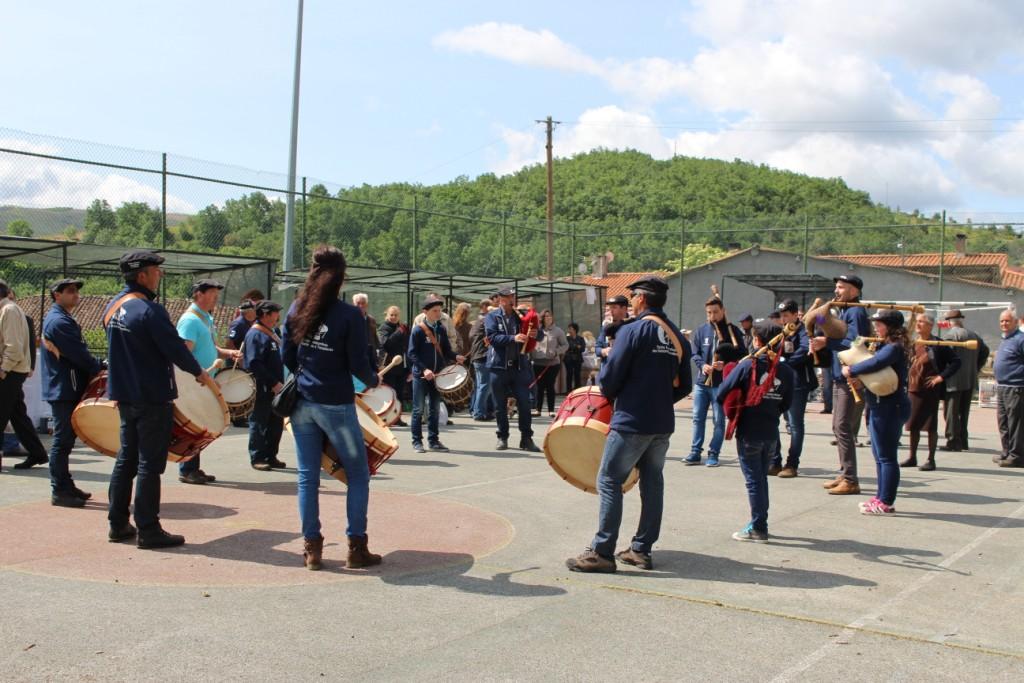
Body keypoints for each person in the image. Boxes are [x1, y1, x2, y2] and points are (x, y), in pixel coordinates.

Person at [566, 275, 691, 572]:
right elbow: (685, 384)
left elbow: (608, 382)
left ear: (641, 299)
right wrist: (660, 401)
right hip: (662, 422)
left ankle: (602, 552)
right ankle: (641, 549)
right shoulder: (676, 335)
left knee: (609, 479)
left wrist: (632, 395)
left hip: (632, 421)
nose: (632, 301)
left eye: (633, 296)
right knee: (652, 482)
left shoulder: (632, 331)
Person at [282, 245, 382, 570]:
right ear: (341, 278)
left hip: (301, 404)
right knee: (358, 474)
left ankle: (312, 550)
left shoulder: (297, 308)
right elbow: (358, 364)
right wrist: (372, 380)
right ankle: (356, 548)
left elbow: (286, 354)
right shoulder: (350, 316)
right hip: (335, 404)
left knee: (307, 478)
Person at [105, 250, 210, 548]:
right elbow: (175, 348)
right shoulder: (150, 311)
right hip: (152, 396)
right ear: (142, 275)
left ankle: (118, 524)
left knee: (126, 459)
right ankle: (149, 529)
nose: (159, 275)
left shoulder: (112, 307)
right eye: (155, 270)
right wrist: (199, 373)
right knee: (149, 465)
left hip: (124, 396)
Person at [716, 320, 795, 541]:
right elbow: (786, 404)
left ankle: (759, 526)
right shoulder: (786, 371)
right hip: (771, 431)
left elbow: (722, 391)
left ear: (758, 340)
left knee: (755, 480)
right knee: (760, 478)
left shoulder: (748, 365)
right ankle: (760, 521)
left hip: (750, 431)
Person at [40, 278, 104, 506]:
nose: (75, 294)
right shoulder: (59, 322)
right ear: (56, 295)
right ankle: (59, 490)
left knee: (66, 440)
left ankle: (66, 485)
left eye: (76, 290)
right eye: (69, 291)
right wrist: (99, 366)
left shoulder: (61, 319)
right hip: (64, 388)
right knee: (62, 440)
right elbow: (78, 354)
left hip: (66, 386)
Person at [842, 310, 911, 514]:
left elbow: (875, 363)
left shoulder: (894, 347)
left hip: (890, 406)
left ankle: (886, 502)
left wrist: (852, 370)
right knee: (879, 455)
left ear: (890, 326)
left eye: (879, 324)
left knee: (887, 456)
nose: (876, 328)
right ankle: (881, 497)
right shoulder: (885, 345)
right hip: (879, 405)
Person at [176, 279, 241, 485]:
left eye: (216, 293)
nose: (216, 298)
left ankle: (192, 467)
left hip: (205, 381)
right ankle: (187, 469)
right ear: (199, 294)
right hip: (196, 383)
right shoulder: (190, 320)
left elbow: (211, 347)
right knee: (195, 423)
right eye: (212, 293)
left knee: (201, 424)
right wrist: (199, 375)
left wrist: (228, 352)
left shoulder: (206, 319)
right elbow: (184, 353)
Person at [812, 275, 871, 495]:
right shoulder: (842, 310)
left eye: (842, 287)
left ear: (854, 291)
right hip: (839, 375)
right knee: (838, 427)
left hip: (850, 376)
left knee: (843, 427)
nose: (837, 291)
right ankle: (844, 472)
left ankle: (850, 479)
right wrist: (817, 320)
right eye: (836, 287)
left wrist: (827, 342)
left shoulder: (855, 311)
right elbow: (823, 324)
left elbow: (857, 341)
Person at [685, 296, 745, 467]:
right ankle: (695, 452)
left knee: (719, 420)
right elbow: (694, 353)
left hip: (721, 384)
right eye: (709, 313)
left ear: (723, 311)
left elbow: (742, 354)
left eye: (716, 312)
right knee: (697, 418)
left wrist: (725, 365)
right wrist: (702, 365)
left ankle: (714, 453)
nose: (712, 316)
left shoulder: (732, 331)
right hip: (702, 383)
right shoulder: (701, 330)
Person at [0, 279, 50, 471]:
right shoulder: (7, 310)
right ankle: (37, 453)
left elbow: (13, 347)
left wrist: (3, 369)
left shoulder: (9, 311)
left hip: (10, 371)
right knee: (18, 415)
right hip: (12, 371)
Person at [484, 287, 542, 452]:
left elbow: (540, 335)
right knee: (500, 405)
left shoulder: (521, 315)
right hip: (498, 367)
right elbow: (492, 337)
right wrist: (513, 338)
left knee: (524, 403)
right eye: (508, 297)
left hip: (519, 367)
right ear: (501, 299)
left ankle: (526, 439)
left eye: (513, 296)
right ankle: (502, 437)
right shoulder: (492, 316)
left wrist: (536, 334)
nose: (512, 300)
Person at [407, 295, 464, 453]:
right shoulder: (418, 330)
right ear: (425, 312)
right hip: (421, 375)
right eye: (435, 311)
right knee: (418, 409)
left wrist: (455, 356)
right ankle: (417, 442)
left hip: (437, 376)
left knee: (434, 409)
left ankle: (433, 441)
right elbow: (411, 354)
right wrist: (424, 369)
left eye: (440, 310)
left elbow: (445, 350)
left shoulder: (441, 329)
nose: (439, 314)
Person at [902, 314, 960, 471]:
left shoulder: (937, 344)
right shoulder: (913, 343)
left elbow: (956, 362)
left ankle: (930, 459)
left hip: (930, 391)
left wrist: (940, 377)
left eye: (922, 322)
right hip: (913, 390)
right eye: (917, 321)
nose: (918, 324)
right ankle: (912, 457)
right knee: (912, 424)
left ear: (930, 325)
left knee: (930, 425)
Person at [769, 299, 816, 478]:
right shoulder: (780, 331)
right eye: (781, 315)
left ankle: (792, 464)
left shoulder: (804, 330)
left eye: (786, 315)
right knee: (772, 420)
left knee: (795, 424)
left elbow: (804, 349)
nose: (783, 319)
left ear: (796, 314)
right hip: (778, 383)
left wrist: (785, 362)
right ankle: (775, 461)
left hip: (797, 383)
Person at [244, 300, 286, 471]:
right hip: (262, 386)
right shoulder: (256, 334)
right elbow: (254, 363)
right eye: (274, 313)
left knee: (275, 422)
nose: (277, 316)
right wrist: (273, 382)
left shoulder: (272, 332)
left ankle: (271, 455)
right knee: (259, 421)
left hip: (275, 386)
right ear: (265, 315)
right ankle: (258, 457)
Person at [942, 309, 989, 451]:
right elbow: (985, 351)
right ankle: (963, 440)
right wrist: (976, 367)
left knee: (951, 412)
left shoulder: (950, 335)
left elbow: (946, 358)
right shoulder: (974, 335)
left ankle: (953, 441)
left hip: (954, 380)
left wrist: (942, 374)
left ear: (949, 322)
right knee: (964, 411)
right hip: (970, 378)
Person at [993, 308, 1024, 468]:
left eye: (1007, 321)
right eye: (1002, 321)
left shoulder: (1021, 339)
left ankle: (1016, 455)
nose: (1004, 323)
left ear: (1016, 322)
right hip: (1002, 387)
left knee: (1015, 423)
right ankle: (1006, 452)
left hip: (1016, 387)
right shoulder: (1005, 339)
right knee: (1003, 422)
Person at [531, 309, 568, 417]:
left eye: (550, 316)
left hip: (552, 364)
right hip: (537, 362)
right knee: (539, 386)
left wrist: (556, 351)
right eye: (546, 316)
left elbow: (565, 345)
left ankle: (551, 410)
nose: (548, 318)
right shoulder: (537, 330)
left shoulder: (558, 331)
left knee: (550, 386)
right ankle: (538, 409)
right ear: (542, 318)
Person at [377, 305, 409, 425]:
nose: (394, 317)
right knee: (390, 393)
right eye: (391, 315)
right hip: (389, 367)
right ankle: (387, 417)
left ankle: (397, 417)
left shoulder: (401, 327)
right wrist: (398, 332)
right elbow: (386, 344)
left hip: (401, 366)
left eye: (396, 315)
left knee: (399, 393)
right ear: (387, 315)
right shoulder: (383, 328)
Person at [469, 298, 495, 421]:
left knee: (481, 386)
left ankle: (476, 410)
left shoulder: (478, 322)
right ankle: (478, 412)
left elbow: (470, 336)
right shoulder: (487, 322)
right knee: (485, 386)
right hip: (483, 356)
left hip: (477, 357)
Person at [594, 294, 629, 368]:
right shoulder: (606, 327)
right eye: (610, 308)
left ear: (624, 309)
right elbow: (597, 349)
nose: (611, 311)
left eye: (614, 307)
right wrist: (604, 351)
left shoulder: (632, 326)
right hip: (608, 370)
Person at [352, 293, 381, 367]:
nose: (361, 306)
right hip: (355, 357)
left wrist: (378, 355)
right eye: (358, 303)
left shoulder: (371, 319)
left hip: (371, 357)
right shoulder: (349, 319)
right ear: (353, 304)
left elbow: (375, 338)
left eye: (363, 303)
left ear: (367, 305)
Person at [563, 322, 586, 393]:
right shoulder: (566, 338)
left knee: (577, 374)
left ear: (575, 330)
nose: (569, 330)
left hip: (578, 359)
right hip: (568, 359)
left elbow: (583, 349)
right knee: (569, 374)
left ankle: (577, 391)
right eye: (569, 329)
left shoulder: (581, 338)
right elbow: (567, 347)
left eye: (571, 329)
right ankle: (569, 391)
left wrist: (574, 347)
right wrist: (576, 346)